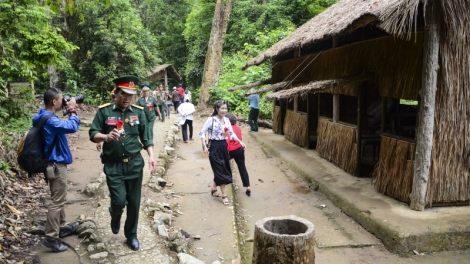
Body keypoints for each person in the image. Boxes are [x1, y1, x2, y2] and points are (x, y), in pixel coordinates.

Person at [89, 76, 157, 251]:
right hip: (113, 165)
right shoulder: (104, 112)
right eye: (124, 94)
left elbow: (146, 136)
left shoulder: (138, 111)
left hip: (134, 164)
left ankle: (131, 235)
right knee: (119, 201)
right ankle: (115, 214)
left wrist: (151, 156)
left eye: (131, 95)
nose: (127, 99)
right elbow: (93, 132)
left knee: (134, 203)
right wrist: (105, 137)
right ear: (116, 92)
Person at [35, 88, 80, 252]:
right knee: (57, 201)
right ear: (54, 102)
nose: (63, 102)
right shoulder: (50, 121)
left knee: (58, 197)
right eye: (61, 99)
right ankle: (51, 237)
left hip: (52, 163)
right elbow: (72, 126)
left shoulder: (44, 116)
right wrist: (73, 109)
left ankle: (61, 227)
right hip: (56, 165)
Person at [199, 100, 246, 206]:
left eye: (225, 108)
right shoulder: (211, 120)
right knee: (220, 169)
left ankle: (213, 188)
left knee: (223, 167)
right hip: (214, 147)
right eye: (222, 108)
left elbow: (231, 134)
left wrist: (240, 141)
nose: (224, 110)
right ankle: (224, 195)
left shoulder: (227, 121)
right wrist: (204, 146)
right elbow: (202, 133)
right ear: (217, 109)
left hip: (224, 146)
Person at [225, 113, 251, 196]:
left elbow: (227, 141)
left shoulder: (227, 129)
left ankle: (228, 182)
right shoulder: (238, 128)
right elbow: (239, 138)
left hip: (230, 150)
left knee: (225, 165)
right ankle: (248, 186)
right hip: (239, 149)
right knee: (242, 167)